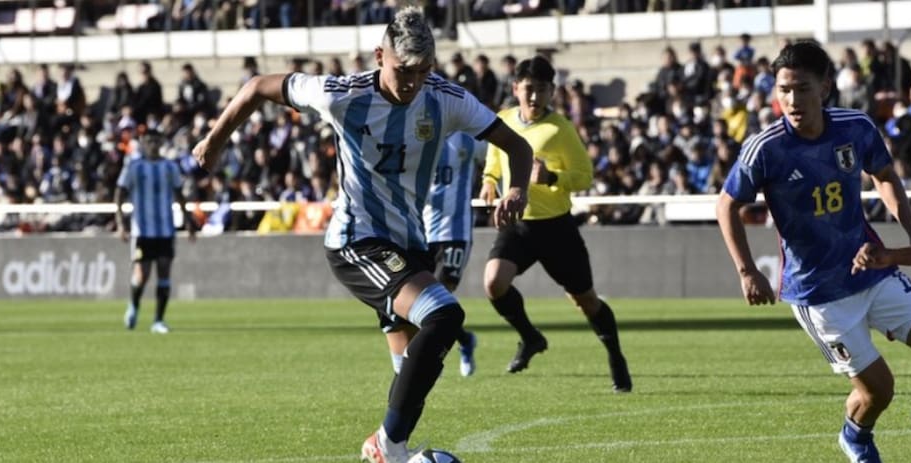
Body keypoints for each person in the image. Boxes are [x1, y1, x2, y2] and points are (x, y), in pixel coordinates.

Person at [191, 7, 533, 463]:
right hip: (357, 241)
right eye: (404, 70)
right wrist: (214, 140)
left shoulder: (445, 98)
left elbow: (517, 145)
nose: (413, 82)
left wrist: (517, 189)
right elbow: (257, 87)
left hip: (410, 244)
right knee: (444, 315)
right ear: (379, 57)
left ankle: (393, 452)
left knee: (410, 366)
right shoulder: (341, 94)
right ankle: (386, 445)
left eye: (423, 71)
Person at [716, 40, 911, 463]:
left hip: (870, 269)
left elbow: (884, 174)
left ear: (825, 87)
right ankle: (855, 436)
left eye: (802, 89)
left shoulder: (855, 127)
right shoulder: (765, 148)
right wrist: (746, 270)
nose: (792, 100)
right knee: (879, 390)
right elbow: (726, 205)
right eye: (784, 90)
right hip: (819, 294)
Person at [479, 56, 632, 392]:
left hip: (555, 228)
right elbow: (494, 160)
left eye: (542, 89)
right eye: (529, 89)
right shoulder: (503, 120)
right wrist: (489, 180)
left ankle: (616, 357)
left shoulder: (561, 129)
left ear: (552, 91)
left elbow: (585, 176)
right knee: (493, 282)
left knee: (585, 300)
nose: (534, 96)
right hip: (518, 224)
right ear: (515, 88)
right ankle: (530, 337)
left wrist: (552, 177)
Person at [379, 132, 488, 380]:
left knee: (440, 296)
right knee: (424, 305)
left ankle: (426, 362)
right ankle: (463, 340)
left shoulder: (467, 139)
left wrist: (492, 182)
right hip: (420, 234)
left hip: (455, 232)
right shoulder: (414, 137)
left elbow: (496, 156)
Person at [115, 129, 196, 334]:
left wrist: (188, 221)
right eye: (148, 141)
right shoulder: (134, 166)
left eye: (155, 141)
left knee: (164, 271)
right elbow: (120, 193)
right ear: (143, 143)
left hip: (165, 230)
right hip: (142, 231)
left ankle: (158, 320)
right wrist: (121, 223)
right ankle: (134, 305)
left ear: (161, 143)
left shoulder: (170, 167)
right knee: (142, 274)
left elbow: (178, 194)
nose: (152, 144)